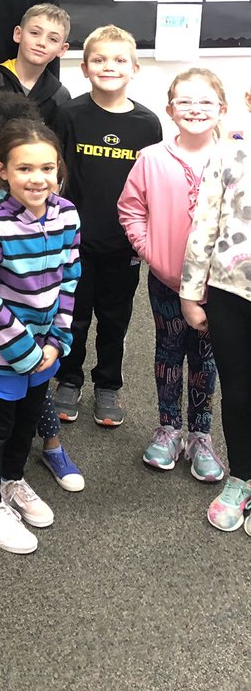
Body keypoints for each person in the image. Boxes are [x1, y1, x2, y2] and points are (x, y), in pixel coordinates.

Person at [0, 92, 85, 493]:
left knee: (25, 428)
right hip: (0, 354)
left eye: (47, 167)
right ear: (3, 170)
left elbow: (69, 278)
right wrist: (25, 353)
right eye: (25, 168)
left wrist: (56, 342)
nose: (38, 178)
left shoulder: (66, 214)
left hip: (44, 350)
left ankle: (13, 480)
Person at [118, 67, 226, 481]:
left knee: (206, 357)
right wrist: (152, 252)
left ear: (222, 109)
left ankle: (201, 434)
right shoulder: (152, 159)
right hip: (166, 279)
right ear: (169, 109)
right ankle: (168, 427)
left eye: (205, 101)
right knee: (168, 350)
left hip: (217, 286)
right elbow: (131, 209)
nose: (195, 109)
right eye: (185, 101)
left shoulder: (234, 158)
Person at [52, 25, 162, 428]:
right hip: (76, 239)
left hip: (124, 243)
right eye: (98, 59)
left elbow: (153, 185)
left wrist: (145, 239)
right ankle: (69, 378)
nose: (108, 67)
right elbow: (56, 175)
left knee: (115, 317)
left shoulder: (147, 124)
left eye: (118, 60)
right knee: (74, 313)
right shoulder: (69, 114)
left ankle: (108, 384)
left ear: (134, 67)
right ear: (83, 67)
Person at [180, 82, 251, 533]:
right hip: (230, 292)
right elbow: (204, 223)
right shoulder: (227, 155)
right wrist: (190, 291)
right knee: (239, 391)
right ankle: (242, 476)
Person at [0, 3, 72, 129]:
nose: (42, 43)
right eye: (35, 33)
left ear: (62, 49)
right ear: (18, 34)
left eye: (53, 39)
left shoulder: (60, 96)